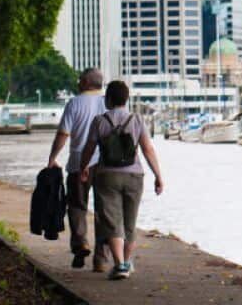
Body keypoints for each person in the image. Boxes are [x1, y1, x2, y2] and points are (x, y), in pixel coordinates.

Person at [79, 80, 164, 281]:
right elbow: (147, 149)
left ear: (108, 99)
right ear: (126, 99)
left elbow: (89, 148)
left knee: (112, 221)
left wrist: (83, 168)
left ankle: (120, 265)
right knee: (130, 223)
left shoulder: (99, 121)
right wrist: (158, 175)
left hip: (107, 175)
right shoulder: (137, 120)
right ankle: (127, 262)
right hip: (134, 175)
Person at [47, 69, 110, 271]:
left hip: (77, 164)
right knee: (104, 211)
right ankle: (101, 259)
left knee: (76, 206)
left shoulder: (74, 103)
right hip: (104, 165)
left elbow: (63, 134)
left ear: (84, 82)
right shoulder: (108, 103)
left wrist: (52, 158)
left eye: (79, 80)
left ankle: (80, 243)